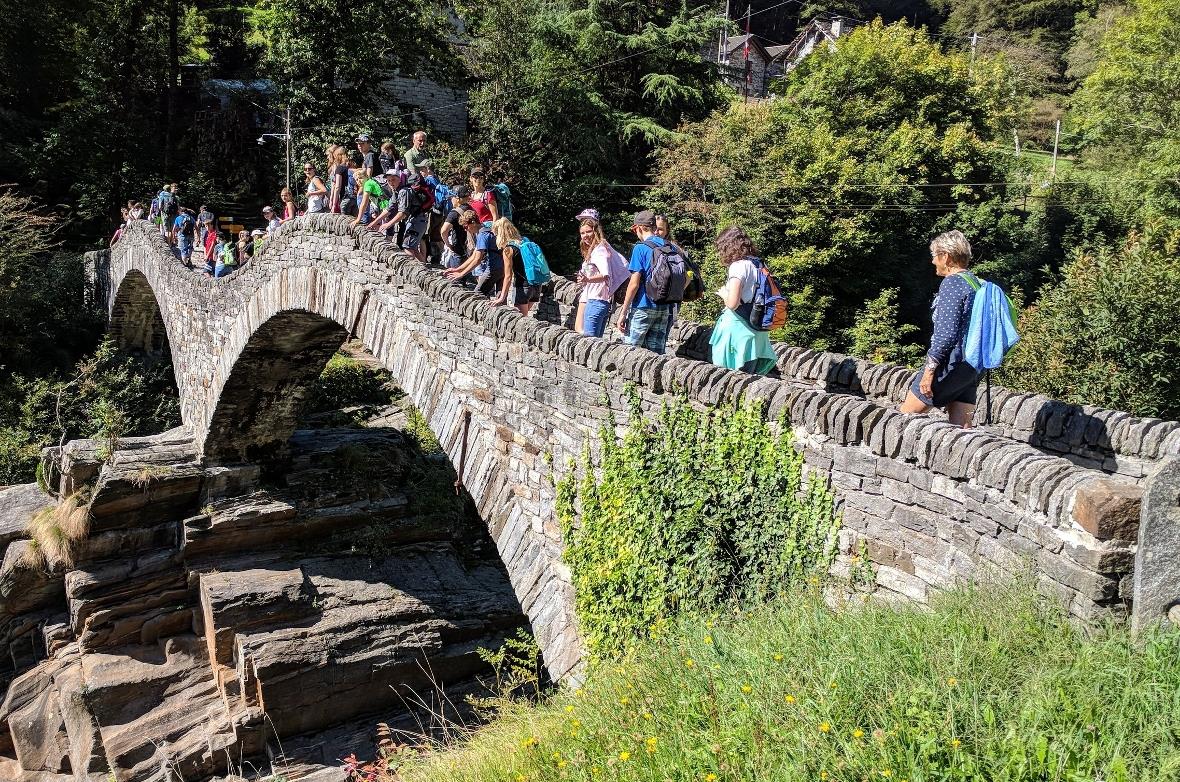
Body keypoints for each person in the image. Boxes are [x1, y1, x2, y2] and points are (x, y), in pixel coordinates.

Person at [900, 230, 981, 428]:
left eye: (935, 256)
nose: (933, 261)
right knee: (962, 430)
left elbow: (946, 334)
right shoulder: (976, 283)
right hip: (973, 365)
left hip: (950, 364)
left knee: (902, 420)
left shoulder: (952, 283)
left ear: (946, 256)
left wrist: (929, 371)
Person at [707, 226, 777, 375]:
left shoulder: (738, 267)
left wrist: (724, 294)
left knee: (726, 380)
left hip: (737, 332)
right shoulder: (759, 264)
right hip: (757, 330)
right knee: (748, 383)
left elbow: (733, 303)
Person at [615, 210, 677, 354]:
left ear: (639, 228)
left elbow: (634, 284)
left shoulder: (640, 248)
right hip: (664, 308)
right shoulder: (669, 247)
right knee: (655, 356)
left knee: (631, 353)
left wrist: (623, 312)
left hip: (643, 307)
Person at [576, 214, 622, 338]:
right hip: (599, 302)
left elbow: (605, 274)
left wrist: (587, 279)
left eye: (588, 232)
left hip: (596, 301)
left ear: (595, 231)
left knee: (589, 342)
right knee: (594, 342)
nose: (585, 235)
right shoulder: (598, 248)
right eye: (582, 233)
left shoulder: (599, 250)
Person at [372, 173, 430, 263]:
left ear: (399, 180)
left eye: (393, 180)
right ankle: (425, 269)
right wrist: (374, 223)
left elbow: (402, 213)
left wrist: (388, 224)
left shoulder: (404, 192)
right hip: (415, 220)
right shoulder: (396, 192)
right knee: (412, 247)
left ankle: (415, 271)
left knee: (408, 247)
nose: (391, 183)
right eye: (389, 180)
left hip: (417, 220)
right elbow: (388, 210)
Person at [443, 211, 503, 296]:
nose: (465, 229)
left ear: (473, 223)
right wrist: (458, 269)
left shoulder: (482, 235)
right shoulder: (486, 226)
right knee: (499, 297)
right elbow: (473, 256)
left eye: (466, 226)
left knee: (478, 295)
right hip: (503, 266)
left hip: (493, 268)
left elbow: (477, 260)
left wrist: (461, 274)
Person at [491, 218, 542, 315]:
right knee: (525, 319)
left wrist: (502, 297)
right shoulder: (525, 240)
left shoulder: (508, 250)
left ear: (500, 233)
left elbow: (508, 276)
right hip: (536, 285)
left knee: (522, 323)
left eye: (496, 234)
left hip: (522, 287)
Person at [440, 186, 474, 268]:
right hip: (471, 250)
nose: (451, 200)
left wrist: (448, 244)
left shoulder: (454, 213)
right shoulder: (471, 209)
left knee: (455, 278)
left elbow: (443, 231)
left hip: (458, 250)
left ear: (457, 198)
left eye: (452, 197)